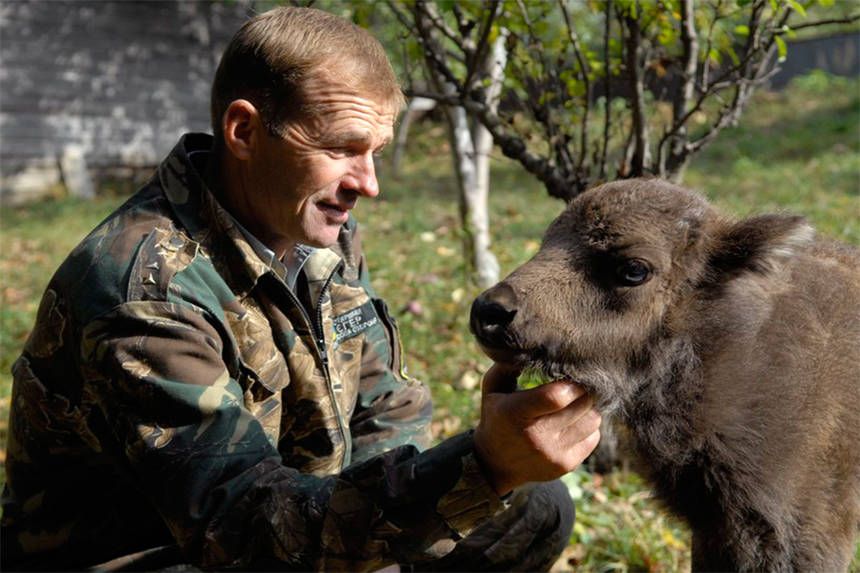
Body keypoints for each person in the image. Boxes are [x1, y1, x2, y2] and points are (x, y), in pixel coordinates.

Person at [1, 7, 602, 571]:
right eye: (342, 147)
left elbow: (385, 408)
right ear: (244, 131)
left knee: (538, 509)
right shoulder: (145, 295)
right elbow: (243, 532)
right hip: (170, 550)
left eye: (376, 153)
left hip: (303, 516)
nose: (367, 184)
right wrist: (485, 465)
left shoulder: (315, 232)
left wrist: (393, 538)